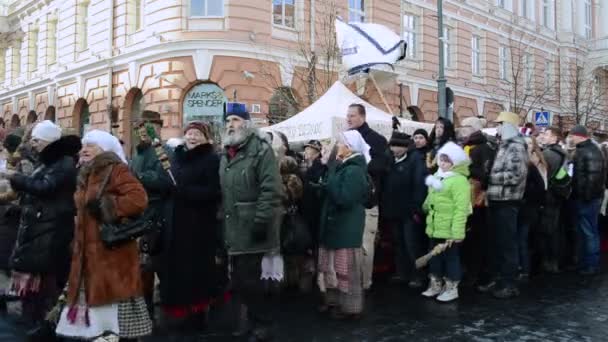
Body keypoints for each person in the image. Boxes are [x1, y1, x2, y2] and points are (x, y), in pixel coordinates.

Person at [55, 129, 152, 341]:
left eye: (91, 145)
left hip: (111, 253)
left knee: (110, 311)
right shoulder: (86, 172)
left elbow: (138, 198)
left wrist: (107, 206)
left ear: (104, 149)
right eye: (84, 145)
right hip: (87, 253)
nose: (84, 149)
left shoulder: (116, 169)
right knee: (93, 316)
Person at [1, 121, 80, 328]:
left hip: (51, 229)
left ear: (48, 140)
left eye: (36, 140)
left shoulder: (63, 163)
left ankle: (47, 325)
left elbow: (45, 187)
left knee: (47, 281)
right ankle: (36, 322)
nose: (32, 143)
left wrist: (16, 178)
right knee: (37, 282)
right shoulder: (47, 162)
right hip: (40, 227)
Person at [219, 103, 282, 341]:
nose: (230, 125)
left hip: (254, 227)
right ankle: (253, 320)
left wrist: (261, 221)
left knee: (253, 281)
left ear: (246, 123)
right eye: (227, 121)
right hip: (234, 228)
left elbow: (271, 190)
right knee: (239, 280)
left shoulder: (261, 150)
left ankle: (263, 323)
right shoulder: (226, 154)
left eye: (235, 120)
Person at [159, 121, 226, 335]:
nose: (192, 137)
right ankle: (180, 314)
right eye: (189, 133)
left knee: (196, 273)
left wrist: (186, 192)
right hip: (175, 225)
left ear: (205, 138)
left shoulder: (211, 159)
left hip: (199, 226)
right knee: (177, 272)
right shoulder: (176, 158)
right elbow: (169, 185)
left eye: (197, 133)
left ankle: (198, 317)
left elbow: (214, 191)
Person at [317, 130, 369, 319]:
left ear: (349, 147)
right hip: (336, 225)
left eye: (340, 143)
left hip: (346, 226)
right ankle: (333, 302)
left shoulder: (354, 170)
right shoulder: (343, 166)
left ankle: (350, 308)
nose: (337, 146)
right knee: (331, 267)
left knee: (346, 269)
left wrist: (330, 177)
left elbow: (344, 198)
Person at [129, 111, 173, 322]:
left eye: (148, 127)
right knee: (142, 268)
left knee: (163, 266)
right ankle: (145, 310)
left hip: (160, 216)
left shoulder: (165, 151)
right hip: (139, 217)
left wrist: (139, 178)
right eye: (140, 128)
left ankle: (168, 308)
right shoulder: (136, 155)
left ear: (157, 128)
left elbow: (166, 181)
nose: (143, 132)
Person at [485, 112, 529, 299]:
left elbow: (515, 175)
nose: (497, 128)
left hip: (507, 201)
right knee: (498, 243)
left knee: (507, 245)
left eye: (500, 124)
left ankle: (509, 283)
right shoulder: (504, 145)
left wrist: (490, 176)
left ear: (509, 125)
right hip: (497, 200)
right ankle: (499, 279)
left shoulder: (516, 147)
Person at [421, 142, 471, 302]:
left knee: (451, 258)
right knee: (435, 257)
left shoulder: (460, 181)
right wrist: (425, 207)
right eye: (441, 160)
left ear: (454, 163)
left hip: (449, 228)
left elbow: (460, 208)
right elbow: (431, 198)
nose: (442, 163)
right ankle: (435, 283)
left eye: (446, 161)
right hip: (435, 226)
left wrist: (457, 232)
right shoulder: (436, 176)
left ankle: (451, 287)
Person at [346, 103, 389, 289]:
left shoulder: (377, 140)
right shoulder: (346, 139)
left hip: (368, 201)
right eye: (347, 116)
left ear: (362, 117)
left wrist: (359, 163)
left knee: (365, 244)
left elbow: (383, 167)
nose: (348, 119)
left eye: (352, 116)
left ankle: (364, 281)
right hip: (349, 200)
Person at [380, 132, 428, 287]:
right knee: (398, 242)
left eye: (398, 146)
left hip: (409, 211)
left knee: (411, 244)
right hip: (394, 209)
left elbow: (419, 185)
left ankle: (418, 275)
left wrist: (416, 208)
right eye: (393, 145)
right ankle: (402, 272)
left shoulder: (415, 160)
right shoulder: (390, 160)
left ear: (406, 147)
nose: (395, 148)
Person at [460, 117, 496, 286]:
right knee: (467, 238)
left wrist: (468, 169)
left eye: (464, 126)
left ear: (473, 128)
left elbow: (487, 174)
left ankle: (479, 273)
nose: (461, 129)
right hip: (464, 198)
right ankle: (469, 270)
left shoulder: (483, 148)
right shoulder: (464, 146)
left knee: (478, 238)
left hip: (478, 201)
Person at [569, 125, 606, 276]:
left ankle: (591, 264)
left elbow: (593, 177)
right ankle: (586, 262)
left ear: (579, 136)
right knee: (587, 232)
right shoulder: (589, 149)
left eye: (572, 135)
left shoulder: (588, 151)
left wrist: (585, 197)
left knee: (589, 232)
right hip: (588, 197)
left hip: (587, 199)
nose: (570, 138)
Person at [517, 137, 547, 280]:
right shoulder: (526, 164)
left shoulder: (531, 165)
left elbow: (541, 188)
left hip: (528, 208)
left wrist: (527, 197)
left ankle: (525, 269)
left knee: (523, 239)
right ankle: (523, 267)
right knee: (522, 239)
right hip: (527, 208)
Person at [539, 127, 568, 274]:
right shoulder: (563, 153)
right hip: (558, 193)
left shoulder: (547, 154)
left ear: (555, 138)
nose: (543, 136)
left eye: (546, 134)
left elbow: (542, 176)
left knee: (548, 230)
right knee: (555, 228)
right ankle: (555, 260)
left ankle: (549, 261)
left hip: (548, 196)